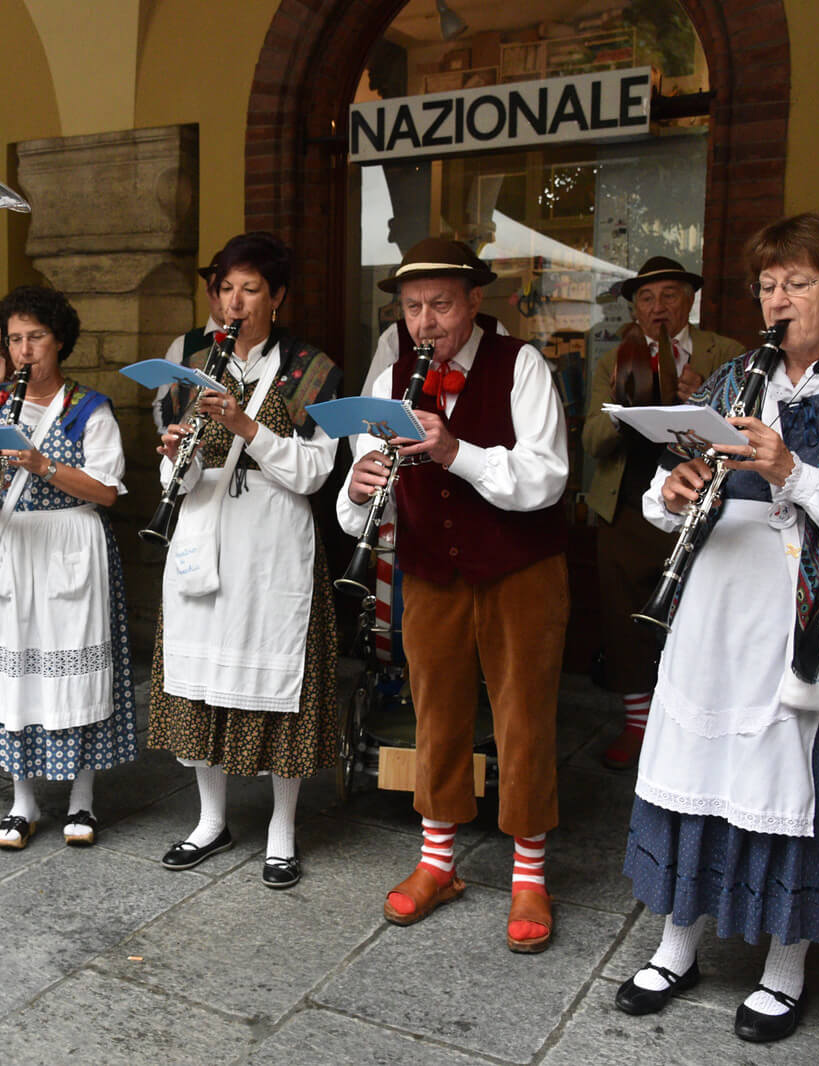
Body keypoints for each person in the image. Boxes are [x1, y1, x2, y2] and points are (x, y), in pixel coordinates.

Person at [615, 213, 819, 1043]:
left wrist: (793, 471)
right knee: (695, 772)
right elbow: (669, 484)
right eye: (768, 285)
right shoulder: (736, 375)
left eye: (798, 283)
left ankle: (786, 968)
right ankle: (677, 946)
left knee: (795, 792)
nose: (778, 300)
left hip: (806, 620)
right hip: (714, 614)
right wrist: (666, 496)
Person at [337, 237, 569, 952]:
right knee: (436, 711)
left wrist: (452, 451)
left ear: (474, 302)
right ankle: (438, 861)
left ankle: (529, 871)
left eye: (440, 304)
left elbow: (547, 475)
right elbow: (363, 487)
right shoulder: (388, 380)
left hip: (518, 568)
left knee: (522, 716)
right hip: (431, 567)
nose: (425, 321)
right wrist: (357, 487)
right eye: (412, 307)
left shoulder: (520, 364)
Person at [148, 231, 341, 891]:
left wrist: (248, 428)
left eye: (249, 289)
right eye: (224, 289)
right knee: (200, 679)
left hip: (274, 544)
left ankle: (283, 827)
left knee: (278, 688)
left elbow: (315, 471)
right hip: (203, 534)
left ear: (277, 298)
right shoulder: (191, 359)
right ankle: (210, 819)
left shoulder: (312, 369)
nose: (234, 302)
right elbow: (183, 478)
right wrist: (176, 452)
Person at [0, 285, 134, 849]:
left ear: (59, 340)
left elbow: (108, 491)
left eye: (35, 337)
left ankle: (83, 801)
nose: (24, 350)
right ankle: (22, 802)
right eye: (15, 340)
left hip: (70, 542)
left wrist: (40, 463)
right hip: (15, 543)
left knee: (76, 672)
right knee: (18, 674)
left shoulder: (89, 407)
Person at [584, 257, 742, 770]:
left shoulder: (729, 355)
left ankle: (696, 731)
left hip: (704, 511)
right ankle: (637, 727)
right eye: (646, 299)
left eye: (669, 296)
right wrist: (624, 413)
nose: (658, 308)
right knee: (625, 624)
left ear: (690, 300)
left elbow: (748, 435)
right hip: (627, 509)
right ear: (635, 307)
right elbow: (590, 441)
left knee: (698, 622)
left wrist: (703, 395)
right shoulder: (615, 362)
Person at [152, 260, 221, 436]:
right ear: (207, 291)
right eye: (217, 290)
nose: (226, 299)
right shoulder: (183, 345)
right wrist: (176, 436)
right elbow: (163, 404)